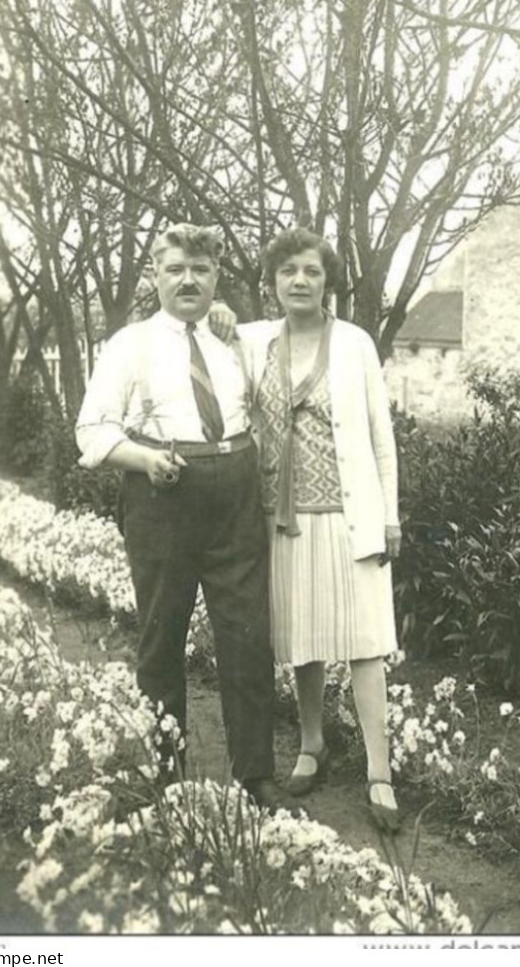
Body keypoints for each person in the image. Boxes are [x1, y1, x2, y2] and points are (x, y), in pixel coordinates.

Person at [75, 223, 290, 812]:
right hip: (163, 496)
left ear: (216, 277)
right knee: (161, 637)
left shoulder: (235, 339)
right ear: (154, 276)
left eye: (200, 270)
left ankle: (256, 776)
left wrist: (226, 316)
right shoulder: (129, 345)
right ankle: (162, 775)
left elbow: (298, 335)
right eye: (175, 270)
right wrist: (145, 460)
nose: (188, 280)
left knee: (247, 638)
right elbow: (92, 431)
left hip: (236, 491)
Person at [219, 227, 403, 832]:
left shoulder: (353, 345)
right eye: (288, 272)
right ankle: (311, 744)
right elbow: (207, 330)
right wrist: (217, 309)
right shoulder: (255, 343)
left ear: (328, 283)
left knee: (365, 642)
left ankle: (380, 771)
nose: (300, 281)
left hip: (350, 519)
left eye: (312, 271)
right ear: (272, 284)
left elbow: (381, 437)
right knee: (303, 640)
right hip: (283, 520)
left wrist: (390, 516)